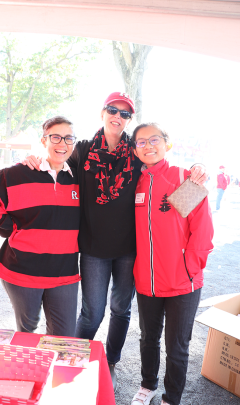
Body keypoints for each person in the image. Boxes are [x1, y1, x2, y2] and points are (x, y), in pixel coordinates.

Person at [23, 92, 207, 391]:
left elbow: (165, 166)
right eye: (113, 110)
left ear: (128, 120)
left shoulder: (135, 154)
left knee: (121, 309)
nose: (117, 116)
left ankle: (110, 361)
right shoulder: (81, 150)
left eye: (124, 114)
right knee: (92, 312)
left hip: (129, 251)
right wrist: (33, 157)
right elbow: (54, 157)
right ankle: (71, 363)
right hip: (94, 248)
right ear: (102, 113)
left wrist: (198, 168)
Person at [0, 116, 80, 337]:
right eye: (55, 137)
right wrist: (6, 227)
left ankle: (54, 373)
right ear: (44, 141)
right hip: (22, 268)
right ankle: (27, 372)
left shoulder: (79, 179)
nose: (62, 144)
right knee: (27, 332)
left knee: (63, 336)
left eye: (68, 138)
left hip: (64, 271)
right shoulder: (18, 174)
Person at [130, 123, 214, 405]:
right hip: (146, 281)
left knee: (177, 347)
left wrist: (191, 267)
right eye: (141, 142)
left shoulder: (183, 178)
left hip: (182, 282)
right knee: (148, 339)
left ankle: (172, 398)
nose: (148, 146)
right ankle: (147, 385)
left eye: (154, 139)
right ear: (135, 150)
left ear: (167, 144)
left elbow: (201, 230)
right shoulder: (135, 184)